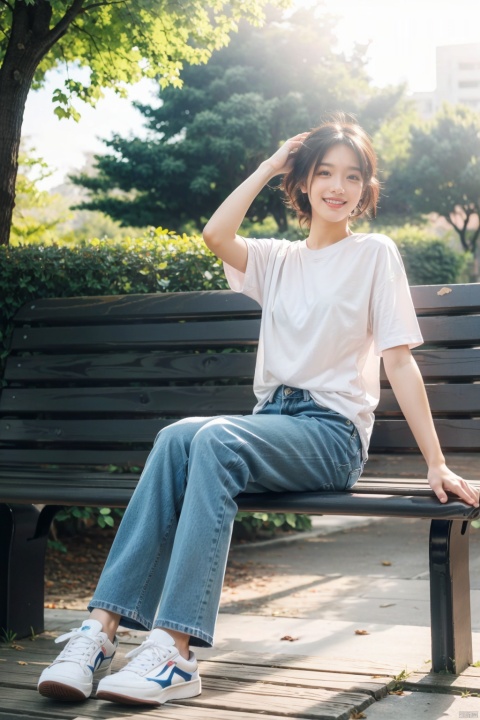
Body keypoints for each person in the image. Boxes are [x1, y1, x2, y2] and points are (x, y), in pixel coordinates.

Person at [37, 114, 479, 706]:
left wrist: (435, 463)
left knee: (215, 439)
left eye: (353, 176)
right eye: (324, 173)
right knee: (176, 437)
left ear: (365, 189)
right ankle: (99, 632)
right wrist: (271, 163)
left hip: (331, 433)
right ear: (303, 183)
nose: (338, 187)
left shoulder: (375, 254)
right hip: (271, 422)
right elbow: (216, 235)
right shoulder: (277, 260)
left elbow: (399, 362)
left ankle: (175, 652)